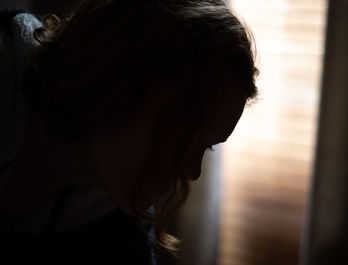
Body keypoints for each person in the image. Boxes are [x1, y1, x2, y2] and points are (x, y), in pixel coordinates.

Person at [0, 0, 258, 264]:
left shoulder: (116, 213)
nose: (193, 171)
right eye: (184, 134)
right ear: (122, 82)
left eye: (206, 146)